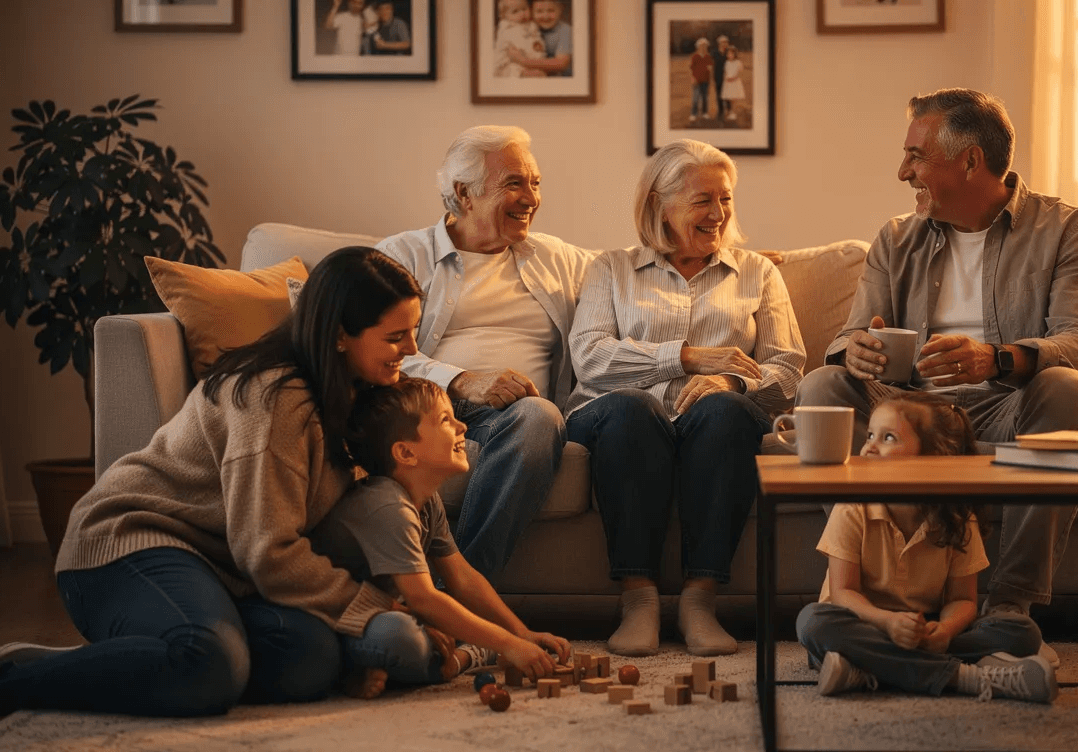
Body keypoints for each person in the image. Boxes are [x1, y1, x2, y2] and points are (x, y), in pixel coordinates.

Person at [0, 247, 426, 718]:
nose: (412, 349)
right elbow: (269, 551)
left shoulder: (358, 393)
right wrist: (371, 604)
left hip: (222, 572)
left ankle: (124, 661)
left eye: (413, 332)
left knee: (311, 659)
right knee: (209, 664)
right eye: (396, 336)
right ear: (341, 335)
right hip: (127, 543)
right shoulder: (276, 398)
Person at [795, 88, 1078, 668]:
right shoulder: (896, 238)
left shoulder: (1068, 230)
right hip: (909, 405)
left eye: (916, 157)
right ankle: (878, 600)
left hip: (1009, 400)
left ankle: (1010, 608)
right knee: (821, 386)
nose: (902, 172)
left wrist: (995, 359)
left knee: (1069, 389)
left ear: (970, 160)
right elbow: (844, 341)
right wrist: (856, 353)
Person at [565, 138, 806, 658]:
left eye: (725, 199)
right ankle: (639, 601)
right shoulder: (611, 269)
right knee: (635, 407)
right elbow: (590, 358)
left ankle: (700, 600)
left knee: (726, 410)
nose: (718, 213)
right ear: (660, 204)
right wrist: (688, 358)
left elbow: (787, 369)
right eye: (703, 200)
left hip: (714, 423)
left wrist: (733, 381)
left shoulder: (759, 273)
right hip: (617, 418)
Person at [375, 126, 597, 581]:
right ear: (464, 193)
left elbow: (631, 279)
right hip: (427, 403)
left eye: (535, 183)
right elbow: (374, 347)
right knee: (535, 414)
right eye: (514, 183)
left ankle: (460, 593)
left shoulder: (559, 258)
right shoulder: (401, 255)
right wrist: (460, 380)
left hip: (520, 415)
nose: (531, 198)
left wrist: (735, 265)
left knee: (539, 416)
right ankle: (467, 604)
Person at [312, 378, 571, 699]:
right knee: (404, 640)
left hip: (388, 609)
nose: (463, 426)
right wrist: (507, 644)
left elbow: (462, 576)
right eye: (446, 420)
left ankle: (398, 665)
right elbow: (423, 599)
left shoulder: (425, 499)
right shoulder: (387, 504)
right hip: (331, 617)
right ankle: (457, 658)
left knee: (436, 630)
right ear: (406, 452)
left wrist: (521, 633)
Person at [796, 392, 1058, 703]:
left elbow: (963, 600)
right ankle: (968, 677)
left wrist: (945, 631)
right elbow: (843, 593)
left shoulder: (957, 517)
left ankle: (867, 667)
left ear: (933, 455)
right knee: (813, 623)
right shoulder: (854, 505)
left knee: (1022, 631)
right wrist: (889, 622)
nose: (869, 447)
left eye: (888, 437)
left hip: (926, 629)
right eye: (870, 435)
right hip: (864, 624)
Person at [506, 0, 573, 77]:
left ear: (560, 10)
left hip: (559, 78)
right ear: (531, 11)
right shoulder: (527, 27)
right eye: (539, 11)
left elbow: (561, 63)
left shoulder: (565, 30)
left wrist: (524, 61)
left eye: (551, 11)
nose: (545, 16)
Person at [493, 0, 546, 78]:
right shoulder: (507, 27)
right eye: (515, 11)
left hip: (531, 60)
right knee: (511, 69)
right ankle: (524, 73)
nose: (522, 14)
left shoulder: (532, 25)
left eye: (524, 9)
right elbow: (505, 48)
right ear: (504, 16)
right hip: (511, 61)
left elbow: (536, 39)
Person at [688, 38, 712, 123]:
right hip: (696, 80)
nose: (703, 47)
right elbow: (691, 68)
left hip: (706, 80)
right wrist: (693, 78)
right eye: (701, 46)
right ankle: (693, 114)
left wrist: (710, 69)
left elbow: (710, 67)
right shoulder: (695, 56)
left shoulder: (708, 57)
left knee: (705, 97)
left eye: (705, 46)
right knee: (695, 98)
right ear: (698, 47)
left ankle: (705, 113)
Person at [719, 46, 745, 122]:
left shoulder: (738, 63)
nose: (730, 55)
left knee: (734, 98)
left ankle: (733, 113)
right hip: (728, 82)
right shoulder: (726, 62)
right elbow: (725, 72)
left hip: (735, 81)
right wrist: (726, 78)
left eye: (731, 54)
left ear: (735, 54)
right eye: (728, 54)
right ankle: (731, 112)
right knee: (729, 98)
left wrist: (733, 78)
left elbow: (740, 73)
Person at [710, 35, 730, 121]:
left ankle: (729, 110)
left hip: (728, 77)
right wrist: (711, 76)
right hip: (717, 76)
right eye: (722, 42)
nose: (724, 44)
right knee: (719, 95)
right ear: (719, 43)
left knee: (728, 95)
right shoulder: (714, 52)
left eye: (725, 42)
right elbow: (710, 64)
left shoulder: (729, 52)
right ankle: (721, 111)